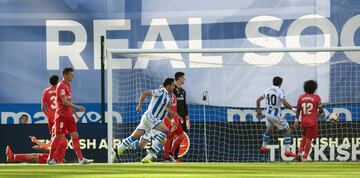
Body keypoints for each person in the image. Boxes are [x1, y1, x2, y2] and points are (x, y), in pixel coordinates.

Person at [116, 78, 178, 163]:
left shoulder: (170, 96)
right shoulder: (160, 91)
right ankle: (152, 150)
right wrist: (139, 105)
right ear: (168, 85)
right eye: (173, 85)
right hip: (150, 117)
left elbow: (166, 110)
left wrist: (172, 121)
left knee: (137, 140)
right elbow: (144, 93)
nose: (174, 86)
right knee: (165, 130)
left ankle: (121, 148)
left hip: (154, 122)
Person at [47, 67, 92, 164]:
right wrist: (77, 107)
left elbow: (68, 102)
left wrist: (73, 113)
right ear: (65, 75)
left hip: (69, 115)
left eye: (72, 74)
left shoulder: (68, 85)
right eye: (71, 74)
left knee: (75, 135)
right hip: (61, 115)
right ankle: (50, 159)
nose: (73, 76)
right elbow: (64, 102)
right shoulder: (61, 86)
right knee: (58, 136)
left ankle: (81, 159)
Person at [256, 76, 296, 157]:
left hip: (268, 114)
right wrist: (293, 109)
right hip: (275, 115)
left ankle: (263, 146)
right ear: (280, 83)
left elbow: (258, 100)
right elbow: (284, 103)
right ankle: (287, 151)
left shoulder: (268, 90)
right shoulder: (280, 91)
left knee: (269, 129)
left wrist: (259, 111)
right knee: (287, 130)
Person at [294, 80, 323, 161]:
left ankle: (299, 153)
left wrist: (296, 121)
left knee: (304, 137)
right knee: (309, 139)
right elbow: (321, 110)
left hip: (303, 121)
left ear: (305, 88)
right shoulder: (317, 97)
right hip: (312, 122)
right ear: (314, 88)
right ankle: (305, 158)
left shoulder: (301, 97)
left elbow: (298, 110)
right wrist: (319, 112)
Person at [170, 72, 189, 161]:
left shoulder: (183, 91)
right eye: (183, 78)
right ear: (179, 78)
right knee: (171, 136)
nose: (184, 79)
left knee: (180, 137)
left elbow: (184, 105)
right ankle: (169, 156)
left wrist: (187, 117)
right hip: (174, 118)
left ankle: (175, 156)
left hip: (182, 118)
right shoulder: (172, 90)